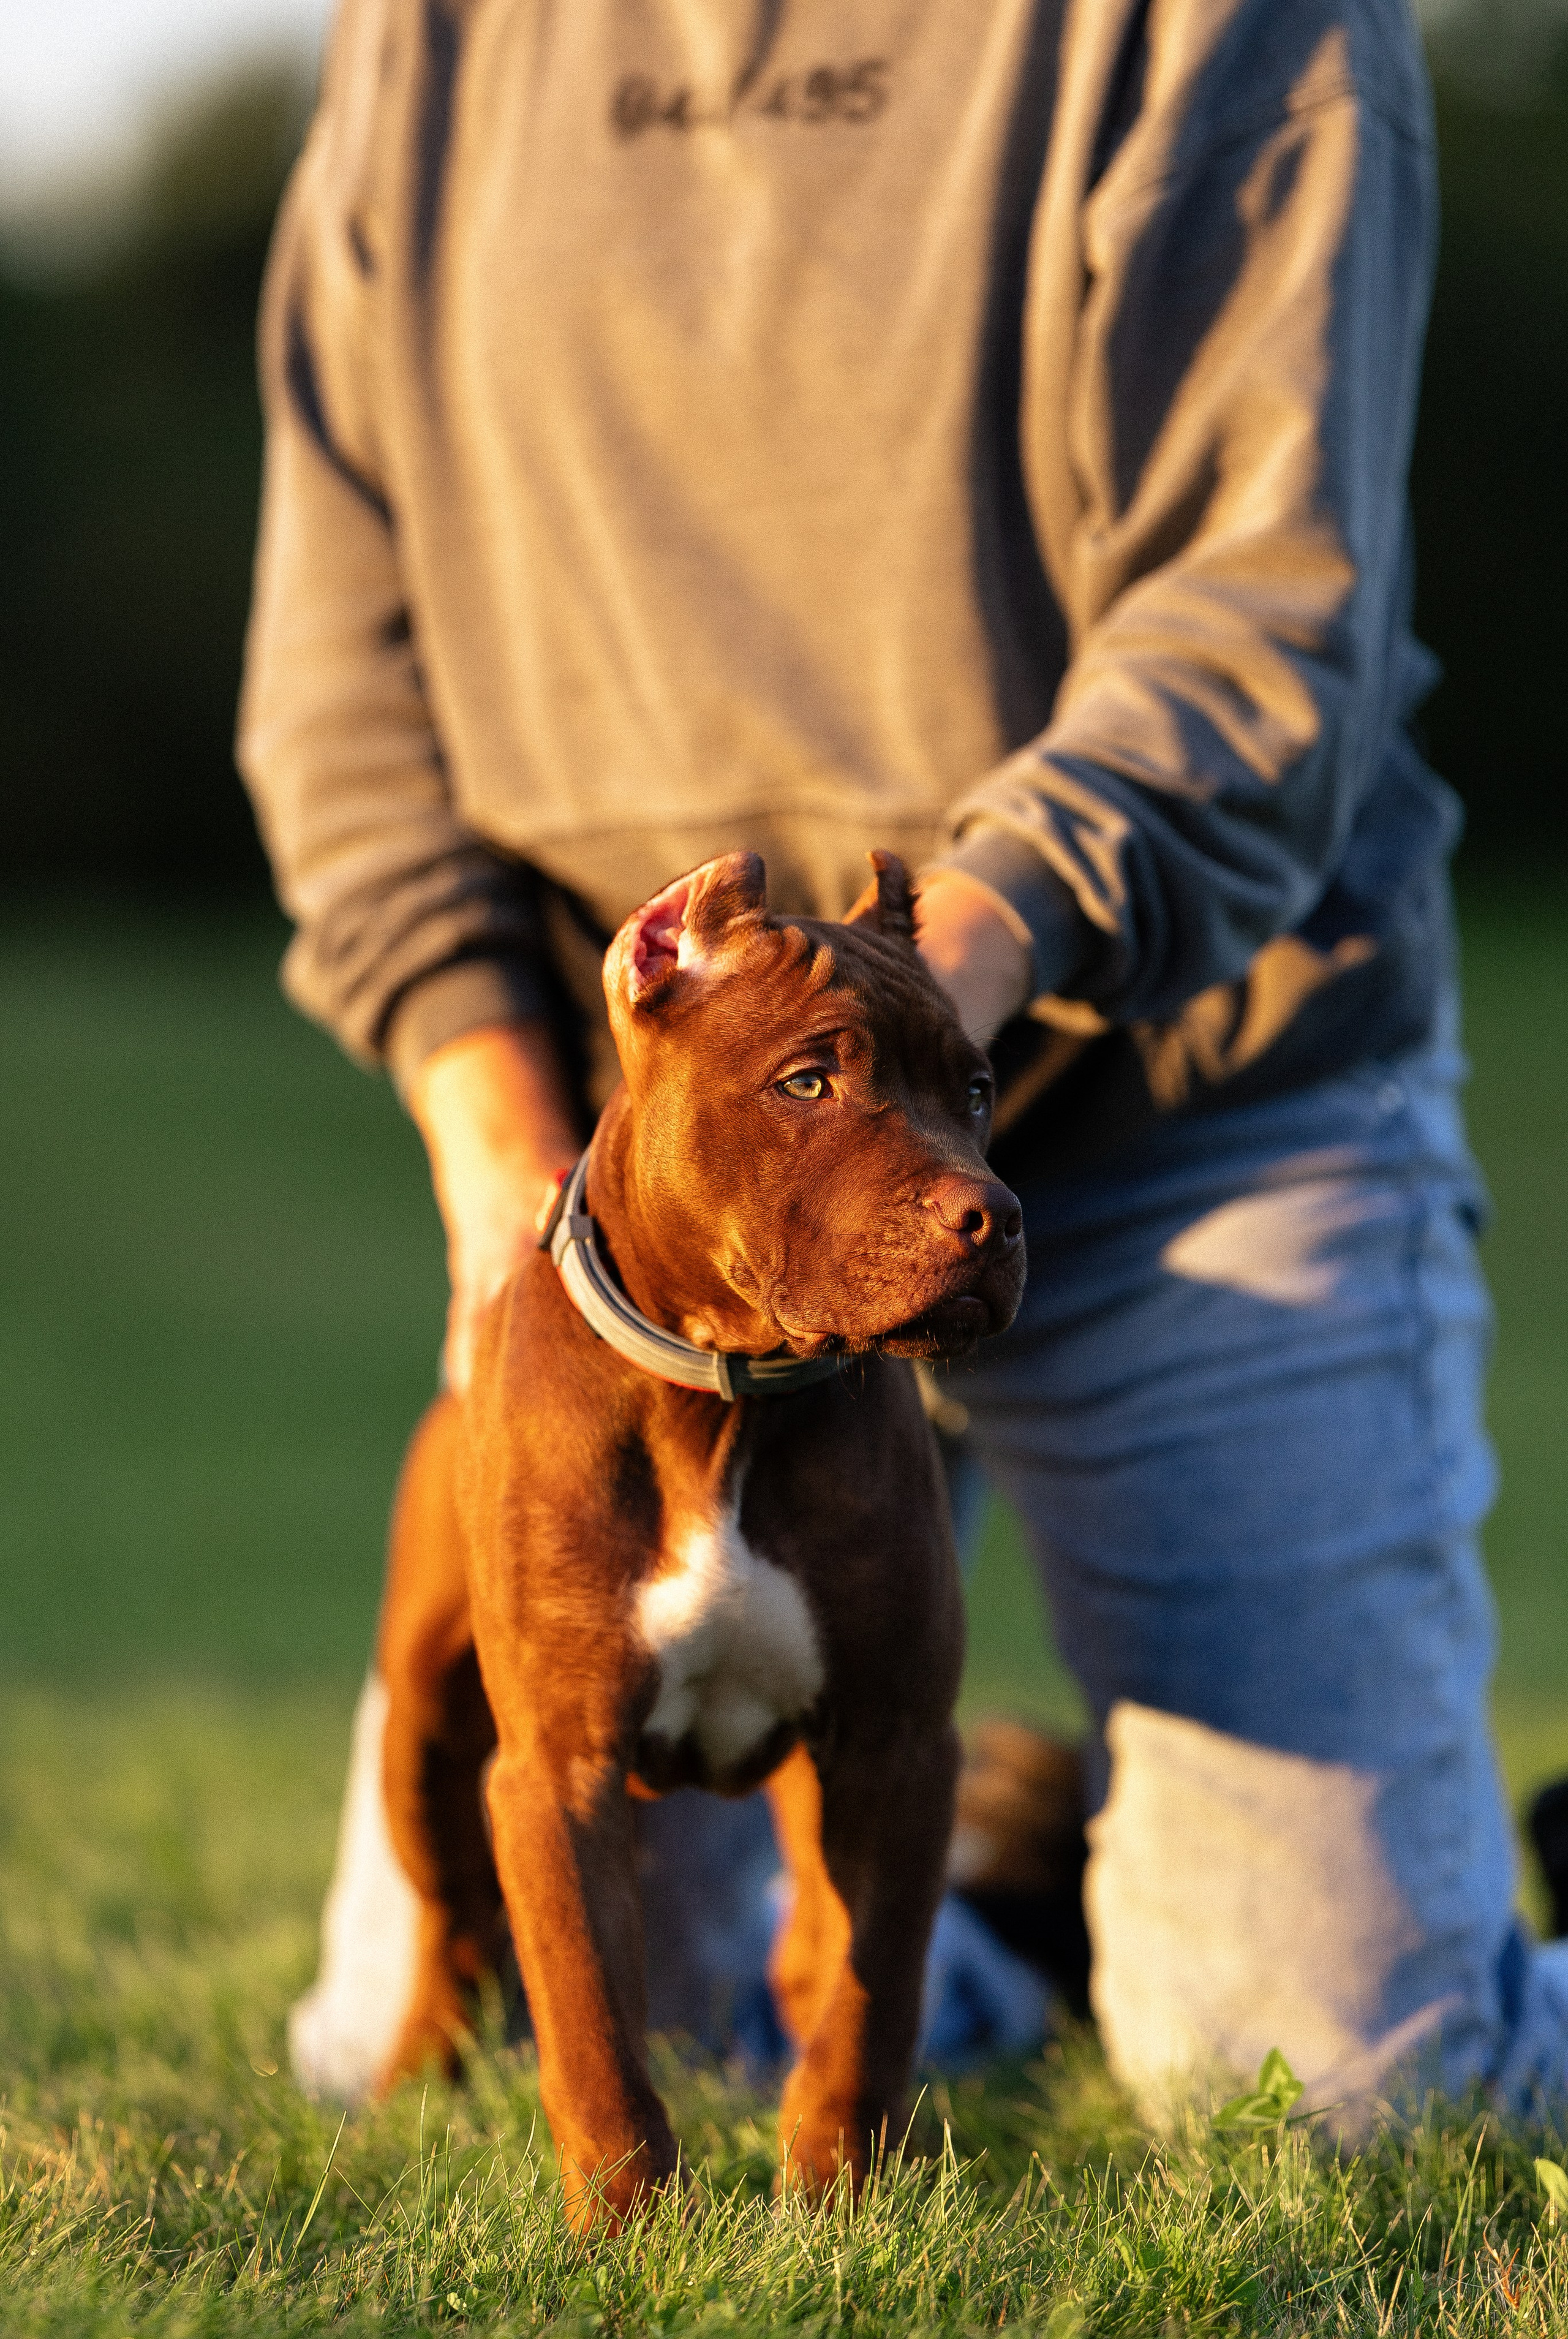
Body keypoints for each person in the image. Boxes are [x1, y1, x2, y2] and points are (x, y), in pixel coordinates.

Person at [239, 0, 1567, 2117]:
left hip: (1195, 1091)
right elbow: (338, 667)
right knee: (465, 2045)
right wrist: (509, 1141)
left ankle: (1248, 1908)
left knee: (1341, 2085)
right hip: (666, 1194)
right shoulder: (440, 35)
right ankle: (1000, 1907)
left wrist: (881, 1031)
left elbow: (1265, 613)